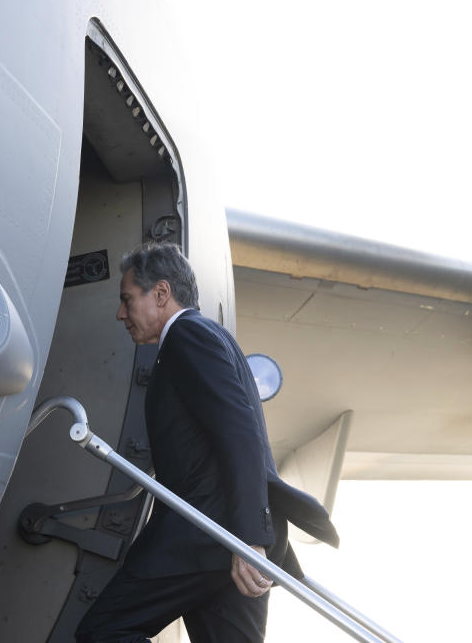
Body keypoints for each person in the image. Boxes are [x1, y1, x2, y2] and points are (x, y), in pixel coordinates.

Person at [75, 243, 339, 643]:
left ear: (161, 294)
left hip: (208, 534)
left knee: (104, 631)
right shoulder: (212, 339)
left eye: (127, 300)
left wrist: (249, 540)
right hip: (230, 537)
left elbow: (240, 433)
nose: (120, 314)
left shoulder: (187, 336)